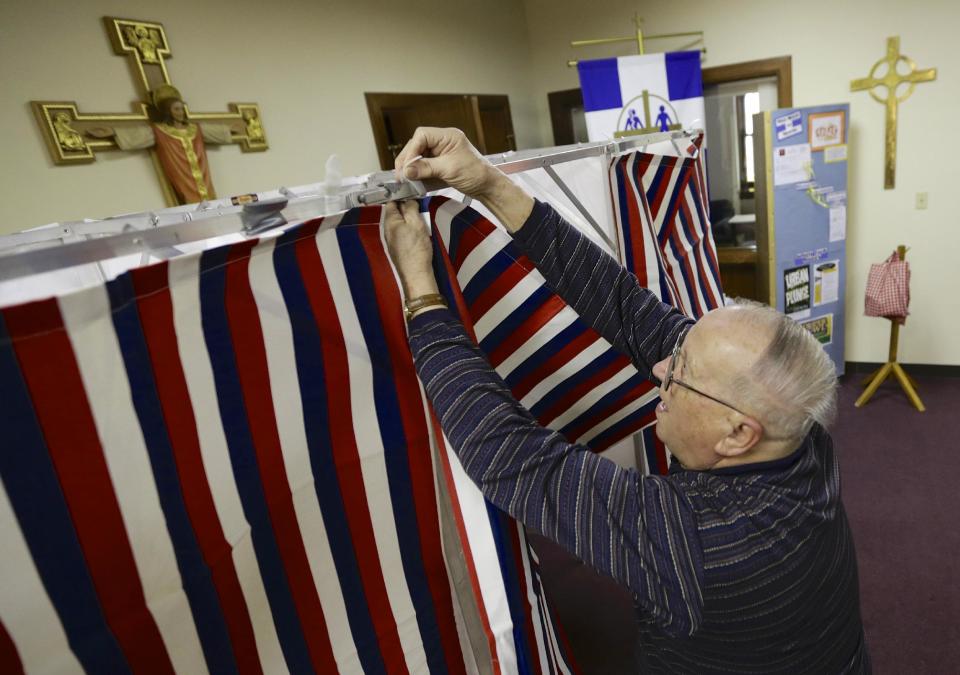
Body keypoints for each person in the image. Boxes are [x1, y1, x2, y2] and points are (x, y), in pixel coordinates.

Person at [382, 127, 871, 673]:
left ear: (738, 434)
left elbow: (508, 455)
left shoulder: (696, 543)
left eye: (680, 372)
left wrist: (421, 294)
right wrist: (492, 186)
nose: (661, 367)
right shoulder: (799, 433)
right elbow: (628, 309)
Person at [88, 84, 239, 204]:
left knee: (208, 195)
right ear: (168, 111)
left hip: (202, 173)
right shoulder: (160, 131)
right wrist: (114, 132)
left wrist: (231, 128)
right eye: (176, 109)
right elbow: (139, 135)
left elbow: (215, 131)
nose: (180, 112)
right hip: (182, 175)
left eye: (181, 108)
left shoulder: (194, 129)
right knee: (188, 197)